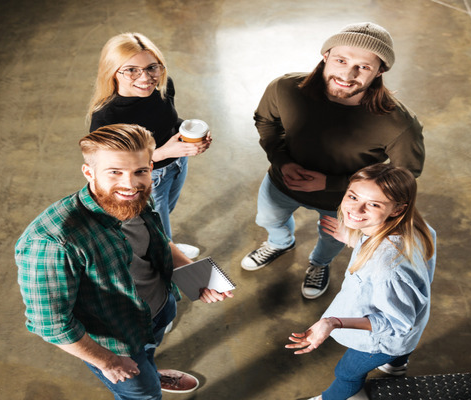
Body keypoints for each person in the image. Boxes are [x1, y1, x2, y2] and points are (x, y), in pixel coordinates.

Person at [15, 124, 232, 400]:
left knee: (149, 353)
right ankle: (146, 382)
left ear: (150, 167)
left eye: (140, 171)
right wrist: (108, 362)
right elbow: (51, 325)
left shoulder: (135, 197)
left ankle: (149, 368)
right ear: (89, 172)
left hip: (157, 311)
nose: (130, 184)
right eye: (115, 172)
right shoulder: (52, 241)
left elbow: (159, 242)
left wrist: (194, 274)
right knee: (144, 395)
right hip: (116, 343)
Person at [241, 22, 425, 300]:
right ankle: (280, 243)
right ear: (325, 55)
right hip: (282, 182)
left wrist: (334, 184)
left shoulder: (399, 122)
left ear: (380, 71)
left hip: (343, 203)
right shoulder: (285, 88)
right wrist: (282, 161)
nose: (348, 75)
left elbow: (406, 173)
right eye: (341, 60)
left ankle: (320, 263)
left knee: (332, 240)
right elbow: (266, 121)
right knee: (269, 219)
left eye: (363, 67)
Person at [286, 164, 436, 400]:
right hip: (411, 328)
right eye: (353, 196)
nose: (355, 209)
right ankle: (396, 366)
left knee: (346, 373)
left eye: (374, 204)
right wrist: (357, 239)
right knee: (399, 350)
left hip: (381, 339)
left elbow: (397, 323)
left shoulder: (385, 267)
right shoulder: (416, 227)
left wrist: (332, 322)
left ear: (398, 209)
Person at [88, 32, 211, 259]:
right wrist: (163, 152)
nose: (145, 78)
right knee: (155, 225)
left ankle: (167, 246)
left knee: (165, 211)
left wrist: (188, 131)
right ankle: (167, 257)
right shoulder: (107, 116)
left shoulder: (163, 87)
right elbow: (114, 165)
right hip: (148, 176)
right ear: (112, 71)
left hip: (177, 164)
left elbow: (168, 120)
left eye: (152, 67)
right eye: (131, 70)